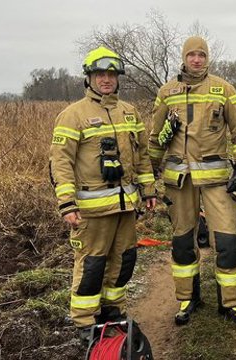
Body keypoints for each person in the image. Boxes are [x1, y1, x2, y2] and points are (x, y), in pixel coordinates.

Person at [48, 46, 158, 344]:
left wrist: (148, 190)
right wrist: (67, 203)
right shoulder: (73, 115)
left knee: (124, 260)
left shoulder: (129, 112)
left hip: (125, 206)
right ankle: (86, 321)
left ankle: (113, 311)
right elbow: (61, 163)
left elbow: (142, 156)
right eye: (100, 74)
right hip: (91, 210)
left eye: (111, 74)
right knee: (92, 264)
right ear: (89, 78)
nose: (106, 80)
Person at [148, 36, 236, 325]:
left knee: (229, 241)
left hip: (216, 181)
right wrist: (147, 179)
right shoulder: (167, 92)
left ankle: (229, 304)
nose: (196, 59)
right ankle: (187, 299)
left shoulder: (224, 89)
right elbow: (156, 139)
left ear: (208, 58)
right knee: (182, 243)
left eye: (201, 55)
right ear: (184, 57)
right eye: (191, 54)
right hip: (178, 183)